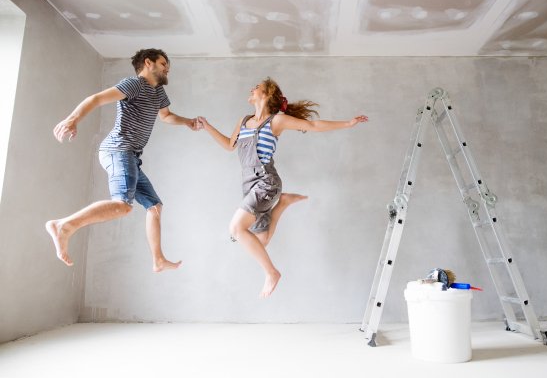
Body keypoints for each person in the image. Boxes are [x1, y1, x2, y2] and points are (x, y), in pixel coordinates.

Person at [199, 77, 368, 298]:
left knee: (236, 229)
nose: (251, 89)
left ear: (267, 94)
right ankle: (283, 203)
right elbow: (229, 145)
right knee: (261, 241)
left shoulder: (276, 121)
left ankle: (271, 273)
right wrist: (207, 126)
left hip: (266, 182)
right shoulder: (243, 121)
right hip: (249, 184)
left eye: (256, 88)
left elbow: (313, 126)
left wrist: (347, 123)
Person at [46, 48, 201, 272]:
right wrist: (73, 119)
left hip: (132, 157)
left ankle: (158, 260)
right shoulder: (134, 84)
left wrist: (187, 121)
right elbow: (96, 99)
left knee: (155, 206)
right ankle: (63, 226)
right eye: (164, 63)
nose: (168, 69)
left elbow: (166, 115)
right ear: (148, 63)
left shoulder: (158, 93)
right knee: (123, 205)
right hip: (119, 150)